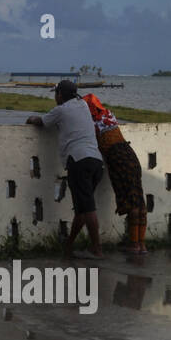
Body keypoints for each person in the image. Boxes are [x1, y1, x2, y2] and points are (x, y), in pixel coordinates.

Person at [26, 79, 104, 259]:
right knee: (82, 208)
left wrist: (31, 119)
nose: (55, 97)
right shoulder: (83, 105)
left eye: (56, 94)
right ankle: (69, 245)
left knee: (88, 208)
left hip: (79, 161)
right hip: (96, 160)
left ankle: (97, 249)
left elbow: (41, 122)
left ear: (60, 95)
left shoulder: (60, 110)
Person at [82, 94, 148, 254]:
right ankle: (142, 245)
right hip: (130, 154)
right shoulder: (109, 114)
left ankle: (134, 244)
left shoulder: (91, 122)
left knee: (132, 201)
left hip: (118, 159)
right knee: (139, 200)